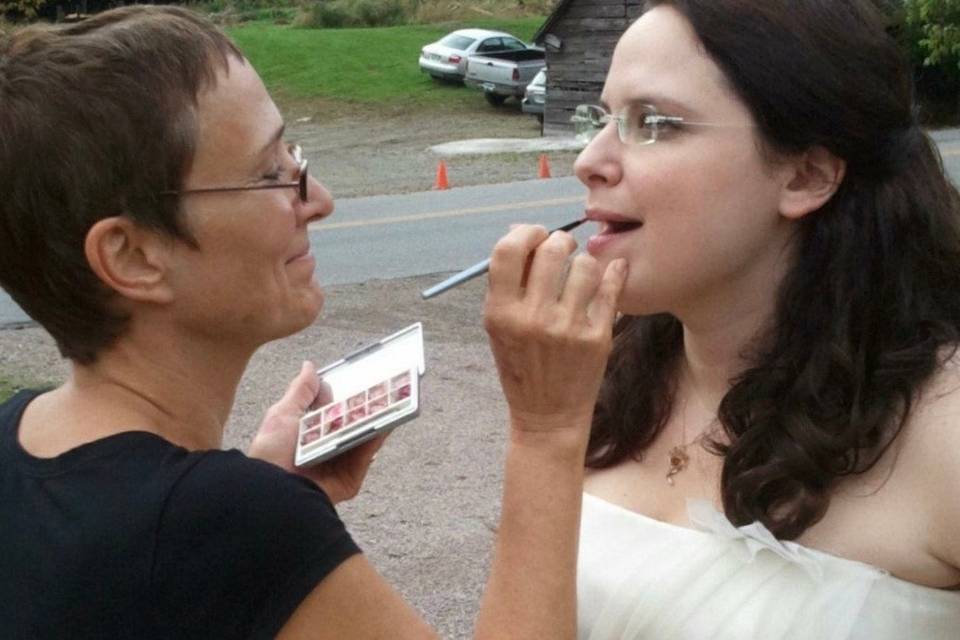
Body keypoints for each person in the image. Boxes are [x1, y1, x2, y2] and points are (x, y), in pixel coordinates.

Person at [0, 6, 625, 638]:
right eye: (273, 173)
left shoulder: (15, 439)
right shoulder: (230, 524)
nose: (319, 200)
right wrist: (548, 430)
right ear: (132, 257)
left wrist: (259, 493)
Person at [483, 1, 960, 638]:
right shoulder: (597, 382)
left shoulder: (942, 428)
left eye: (651, 123)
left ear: (805, 175)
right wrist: (542, 436)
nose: (589, 160)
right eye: (603, 119)